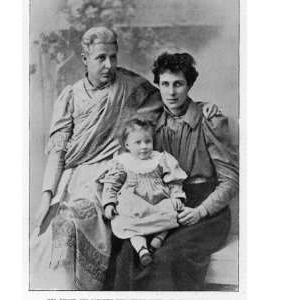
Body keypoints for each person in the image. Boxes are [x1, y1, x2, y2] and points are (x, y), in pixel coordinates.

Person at [30, 26, 220, 291]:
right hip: (73, 177)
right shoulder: (71, 96)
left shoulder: (132, 87)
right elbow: (58, 149)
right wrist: (46, 195)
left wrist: (201, 108)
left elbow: (172, 99)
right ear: (85, 58)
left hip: (111, 176)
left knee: (72, 223)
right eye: (100, 58)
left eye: (113, 57)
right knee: (47, 236)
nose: (109, 65)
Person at [110, 52, 239, 291]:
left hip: (206, 210)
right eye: (165, 84)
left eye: (178, 84)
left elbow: (231, 180)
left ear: (189, 85)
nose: (171, 92)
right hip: (164, 203)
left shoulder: (208, 119)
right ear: (157, 85)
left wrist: (200, 212)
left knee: (168, 256)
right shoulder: (151, 123)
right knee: (130, 252)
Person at [99, 116, 187, 266]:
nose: (144, 146)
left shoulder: (161, 159)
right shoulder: (122, 162)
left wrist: (177, 197)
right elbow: (111, 184)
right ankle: (142, 249)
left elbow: (174, 181)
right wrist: (109, 203)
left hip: (158, 203)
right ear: (127, 144)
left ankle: (158, 238)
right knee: (123, 217)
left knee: (173, 210)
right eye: (137, 142)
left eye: (148, 141)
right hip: (135, 208)